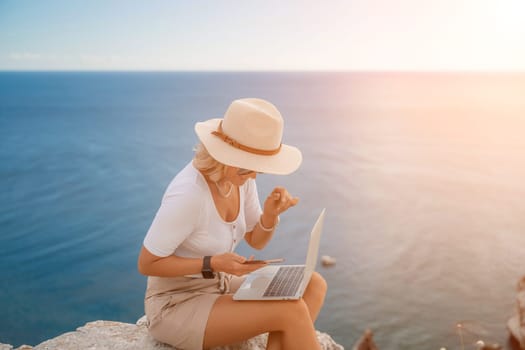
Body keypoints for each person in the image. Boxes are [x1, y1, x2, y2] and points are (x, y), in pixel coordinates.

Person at [137, 98, 327, 350]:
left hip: (220, 284)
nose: (255, 174)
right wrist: (212, 263)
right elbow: (147, 263)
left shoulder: (240, 178)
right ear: (225, 156)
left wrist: (270, 215)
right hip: (177, 303)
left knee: (313, 284)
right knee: (290, 310)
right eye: (250, 166)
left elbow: (256, 240)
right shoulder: (188, 195)